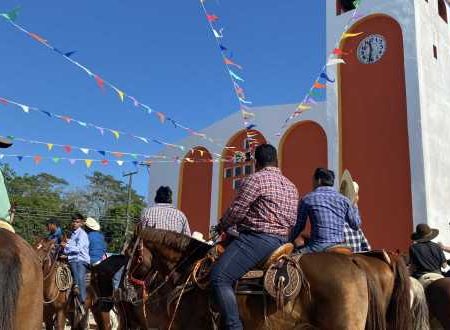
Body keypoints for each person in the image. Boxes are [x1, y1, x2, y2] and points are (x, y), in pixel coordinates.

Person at [211, 144, 298, 330]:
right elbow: (292, 220)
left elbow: (236, 211)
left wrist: (221, 226)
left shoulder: (255, 180)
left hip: (258, 240)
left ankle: (233, 326)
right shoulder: (291, 186)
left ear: (257, 163)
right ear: (276, 161)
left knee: (219, 277)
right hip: (283, 241)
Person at [292, 168, 361, 253]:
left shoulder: (308, 199)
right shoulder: (344, 200)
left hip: (317, 247)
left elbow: (299, 227)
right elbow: (356, 225)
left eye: (313, 180)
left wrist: (288, 240)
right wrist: (354, 205)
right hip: (339, 245)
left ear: (319, 180)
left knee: (292, 260)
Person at [62, 213, 90, 304]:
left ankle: (82, 299)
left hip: (81, 260)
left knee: (80, 275)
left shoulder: (82, 234)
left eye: (77, 222)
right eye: (73, 222)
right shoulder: (73, 235)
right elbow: (68, 249)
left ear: (81, 223)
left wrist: (66, 246)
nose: (74, 224)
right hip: (72, 258)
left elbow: (78, 249)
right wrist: (64, 248)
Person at [410, 223, 447, 288]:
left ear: (418, 236)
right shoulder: (437, 246)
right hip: (438, 275)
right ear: (430, 235)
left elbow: (413, 267)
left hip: (422, 276)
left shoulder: (413, 248)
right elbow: (444, 266)